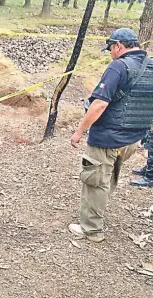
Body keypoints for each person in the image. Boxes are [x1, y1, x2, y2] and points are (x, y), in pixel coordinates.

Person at [69, 28, 153, 242]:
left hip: (107, 137)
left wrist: (79, 131)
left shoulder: (118, 66)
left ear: (119, 45)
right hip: (132, 139)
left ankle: (91, 229)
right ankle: (96, 212)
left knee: (94, 180)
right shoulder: (150, 67)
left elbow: (99, 104)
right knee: (107, 178)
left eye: (111, 49)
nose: (110, 53)